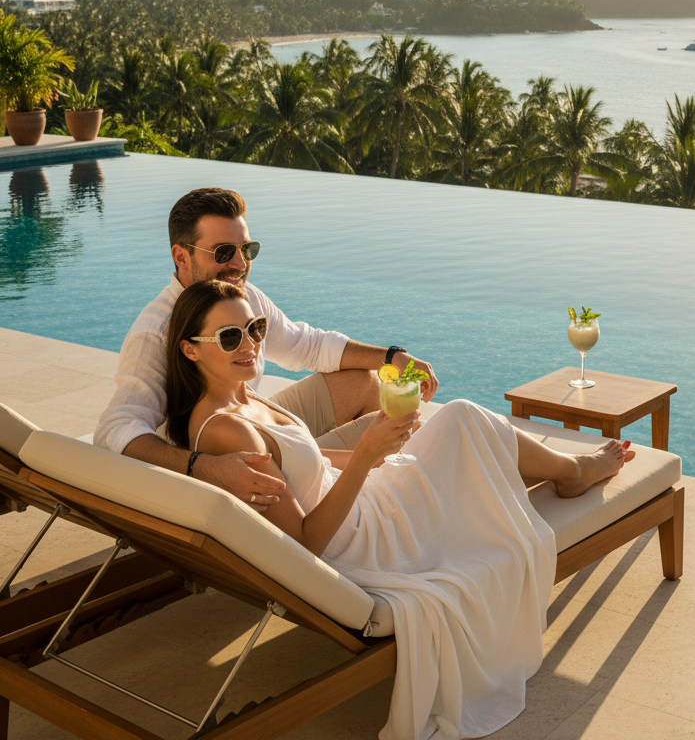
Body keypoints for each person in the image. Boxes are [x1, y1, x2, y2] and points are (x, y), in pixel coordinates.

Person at [168, 279, 634, 740]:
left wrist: (383, 456)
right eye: (230, 337)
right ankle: (571, 472)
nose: (249, 343)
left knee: (460, 422)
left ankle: (566, 471)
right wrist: (369, 455)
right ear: (191, 350)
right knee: (463, 422)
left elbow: (310, 460)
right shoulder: (228, 432)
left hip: (360, 497)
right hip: (360, 541)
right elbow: (304, 543)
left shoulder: (246, 396)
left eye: (255, 327)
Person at [94, 186, 438, 508]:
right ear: (181, 257)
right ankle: (369, 489)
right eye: (223, 252)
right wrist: (207, 466)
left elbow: (305, 345)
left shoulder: (242, 298)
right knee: (411, 441)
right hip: (223, 450)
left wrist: (392, 357)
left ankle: (371, 478)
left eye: (247, 249)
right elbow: (116, 431)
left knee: (365, 382)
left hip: (246, 419)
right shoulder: (156, 332)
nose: (241, 264)